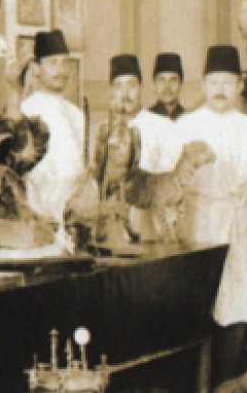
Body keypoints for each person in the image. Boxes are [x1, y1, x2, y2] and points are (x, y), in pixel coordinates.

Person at [172, 45, 247, 385]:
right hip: (195, 222)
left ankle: (224, 383)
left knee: (236, 301)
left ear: (239, 87)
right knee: (194, 303)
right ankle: (192, 387)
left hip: (236, 223)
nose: (220, 90)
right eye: (214, 82)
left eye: (227, 83)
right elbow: (168, 179)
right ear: (204, 85)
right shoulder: (184, 125)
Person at [102, 54, 181, 240]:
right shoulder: (104, 131)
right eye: (118, 86)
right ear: (111, 91)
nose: (125, 94)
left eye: (131, 86)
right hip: (112, 224)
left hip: (151, 223)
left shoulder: (163, 126)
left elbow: (169, 182)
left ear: (141, 88)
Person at [21, 29, 87, 222]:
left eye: (65, 63)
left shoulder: (77, 115)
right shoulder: (26, 110)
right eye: (53, 63)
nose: (61, 70)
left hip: (74, 213)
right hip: (40, 213)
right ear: (36, 68)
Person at [148, 52, 186, 120]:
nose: (167, 86)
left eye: (173, 80)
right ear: (154, 84)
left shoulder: (188, 119)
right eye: (161, 80)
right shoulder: (144, 120)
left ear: (181, 84)